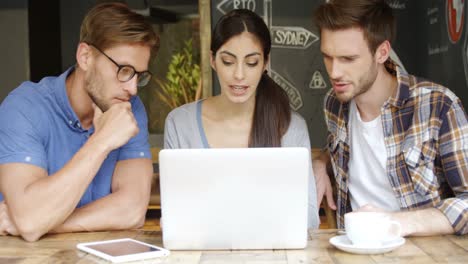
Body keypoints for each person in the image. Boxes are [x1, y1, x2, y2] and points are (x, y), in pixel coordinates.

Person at [0, 2, 159, 241]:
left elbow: (131, 210)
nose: (133, 88)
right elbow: (31, 220)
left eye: (139, 75)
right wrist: (101, 141)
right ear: (85, 57)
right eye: (124, 70)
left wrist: (49, 223)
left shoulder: (129, 109)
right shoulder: (24, 107)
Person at [312, 0, 468, 236]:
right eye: (327, 56)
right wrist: (320, 162)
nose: (334, 72)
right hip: (355, 250)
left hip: (423, 255)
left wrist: (395, 223)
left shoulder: (438, 105)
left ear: (382, 52)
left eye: (348, 59)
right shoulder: (334, 103)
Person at [163, 9, 319, 229]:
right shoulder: (180, 124)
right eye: (228, 61)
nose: (239, 75)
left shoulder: (291, 127)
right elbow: (173, 215)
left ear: (265, 63)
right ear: (212, 60)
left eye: (251, 63)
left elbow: (309, 218)